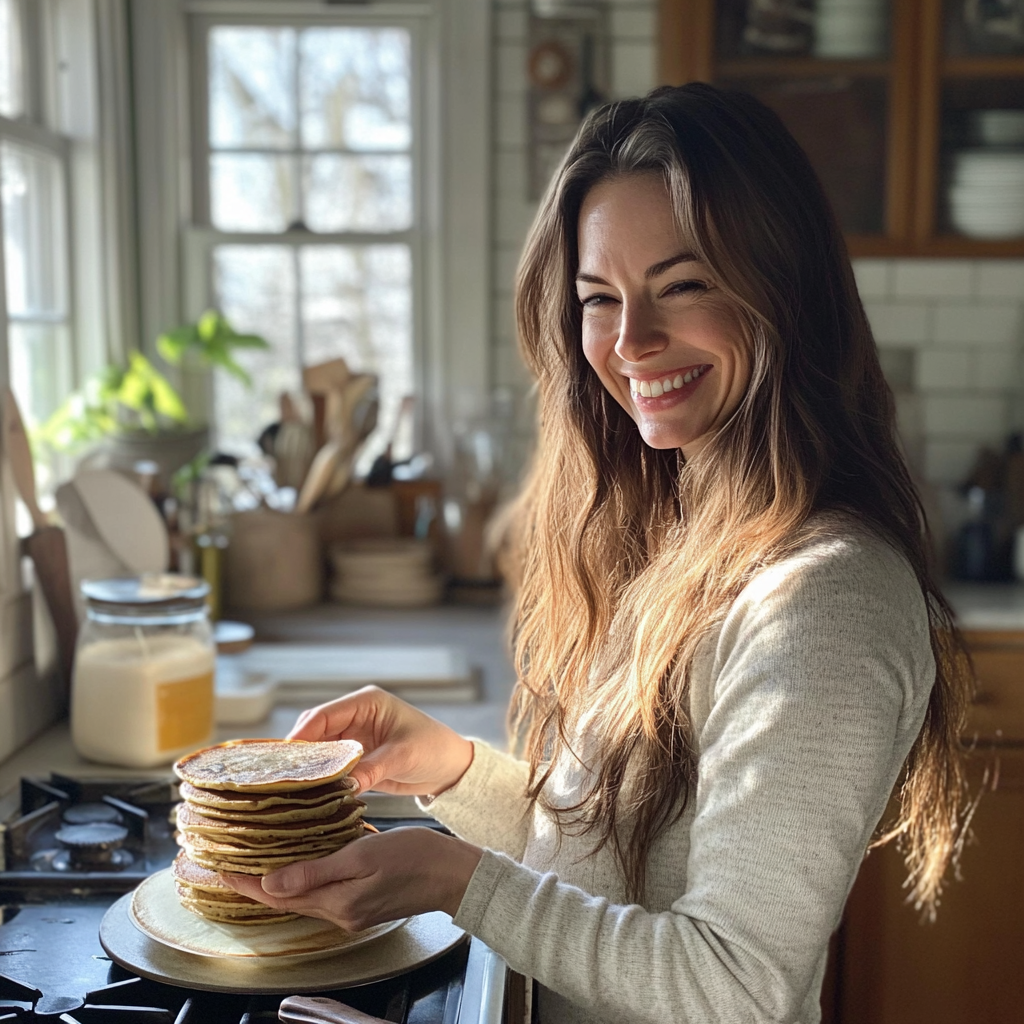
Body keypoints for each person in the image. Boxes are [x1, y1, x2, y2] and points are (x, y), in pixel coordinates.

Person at [224, 83, 972, 1023]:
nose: (629, 341)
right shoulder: (689, 536)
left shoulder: (824, 598)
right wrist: (453, 771)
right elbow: (614, 869)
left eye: (684, 284)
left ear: (784, 287)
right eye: (598, 298)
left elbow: (736, 985)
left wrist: (457, 882)